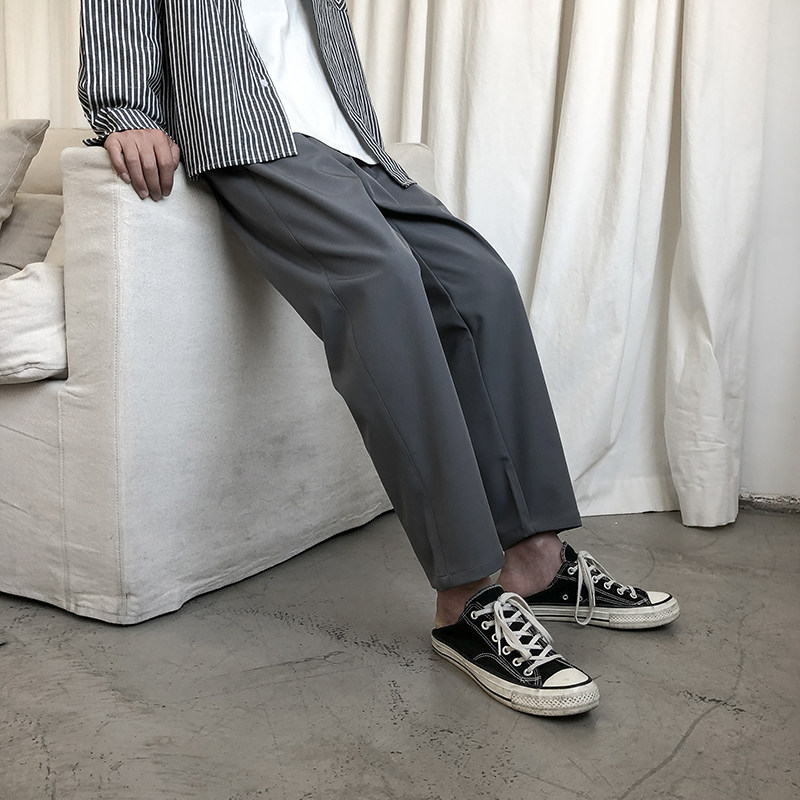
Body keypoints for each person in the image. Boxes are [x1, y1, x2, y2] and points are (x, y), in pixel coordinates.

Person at [79, 0, 679, 717]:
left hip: (350, 141)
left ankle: (535, 560)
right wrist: (122, 109)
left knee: (482, 285)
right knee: (383, 283)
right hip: (250, 133)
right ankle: (464, 596)